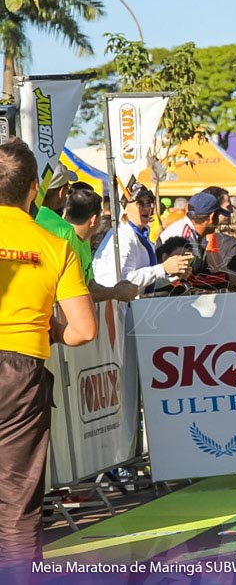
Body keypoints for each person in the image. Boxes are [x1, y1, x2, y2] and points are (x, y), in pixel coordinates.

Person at [0, 139, 97, 582]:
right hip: (21, 373)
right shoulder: (54, 245)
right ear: (35, 189)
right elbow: (84, 330)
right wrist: (51, 329)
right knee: (17, 504)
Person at [94, 183, 193, 293]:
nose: (146, 208)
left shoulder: (141, 235)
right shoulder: (122, 237)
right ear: (124, 207)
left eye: (149, 203)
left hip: (132, 306)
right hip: (113, 307)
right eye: (140, 203)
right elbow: (122, 282)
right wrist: (162, 269)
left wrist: (173, 276)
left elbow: (145, 284)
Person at [63, 188, 139, 303]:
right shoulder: (65, 240)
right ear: (94, 219)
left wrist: (115, 290)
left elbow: (90, 285)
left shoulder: (82, 241)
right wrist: (114, 292)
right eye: (101, 214)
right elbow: (74, 292)